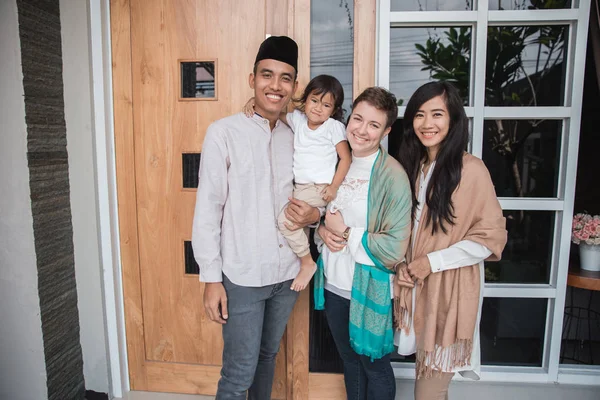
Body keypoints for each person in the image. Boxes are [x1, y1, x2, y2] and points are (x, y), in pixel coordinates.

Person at [191, 36, 321, 400]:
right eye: (267, 75)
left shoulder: (299, 134)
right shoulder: (224, 133)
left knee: (267, 357)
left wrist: (315, 214)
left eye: (285, 78)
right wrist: (211, 278)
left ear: (294, 87)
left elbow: (318, 186)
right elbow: (208, 209)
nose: (275, 86)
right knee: (238, 373)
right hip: (243, 276)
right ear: (252, 80)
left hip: (288, 274)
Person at [393, 81, 507, 400]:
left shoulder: (470, 170)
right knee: (433, 390)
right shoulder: (417, 167)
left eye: (437, 114)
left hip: (449, 295)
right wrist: (405, 263)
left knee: (428, 391)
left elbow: (490, 239)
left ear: (454, 119)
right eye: (419, 115)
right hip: (419, 291)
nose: (427, 124)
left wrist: (430, 262)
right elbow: (413, 231)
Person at [314, 87, 412, 400]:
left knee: (375, 365)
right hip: (333, 286)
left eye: (374, 124)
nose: (362, 129)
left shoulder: (392, 176)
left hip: (369, 288)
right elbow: (323, 215)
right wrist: (322, 232)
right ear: (348, 118)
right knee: (349, 360)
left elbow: (396, 246)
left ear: (386, 131)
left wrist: (345, 233)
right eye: (358, 119)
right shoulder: (334, 162)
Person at [243, 74, 352, 291]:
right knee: (295, 225)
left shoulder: (333, 127)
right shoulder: (298, 120)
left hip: (318, 188)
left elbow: (346, 158)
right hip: (300, 187)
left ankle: (307, 262)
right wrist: (254, 103)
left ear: (334, 109)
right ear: (306, 99)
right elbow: (276, 114)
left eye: (326, 105)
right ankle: (292, 269)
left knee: (285, 222)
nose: (318, 108)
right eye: (314, 100)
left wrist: (333, 187)